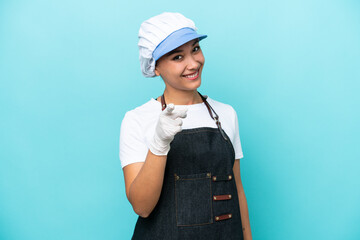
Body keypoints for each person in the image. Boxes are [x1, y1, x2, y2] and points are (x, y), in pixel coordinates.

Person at [119, 12, 252, 240]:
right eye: (178, 57)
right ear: (156, 67)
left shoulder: (226, 114)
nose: (193, 63)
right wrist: (159, 143)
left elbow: (237, 190)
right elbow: (142, 207)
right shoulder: (137, 119)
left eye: (195, 49)